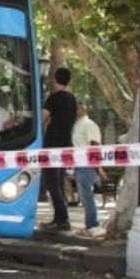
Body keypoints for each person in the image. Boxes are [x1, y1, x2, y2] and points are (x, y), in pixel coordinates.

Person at [40, 67, 78, 230]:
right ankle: (59, 218)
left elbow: (43, 118)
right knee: (59, 181)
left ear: (55, 80)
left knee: (51, 182)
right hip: (66, 144)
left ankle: (62, 219)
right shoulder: (72, 99)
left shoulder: (53, 98)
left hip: (52, 144)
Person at [71, 103, 105, 231]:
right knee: (84, 195)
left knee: (86, 195)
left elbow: (94, 144)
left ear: (82, 109)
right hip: (79, 163)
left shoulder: (89, 124)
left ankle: (92, 223)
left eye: (77, 108)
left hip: (87, 163)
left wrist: (97, 166)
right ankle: (90, 222)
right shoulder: (76, 125)